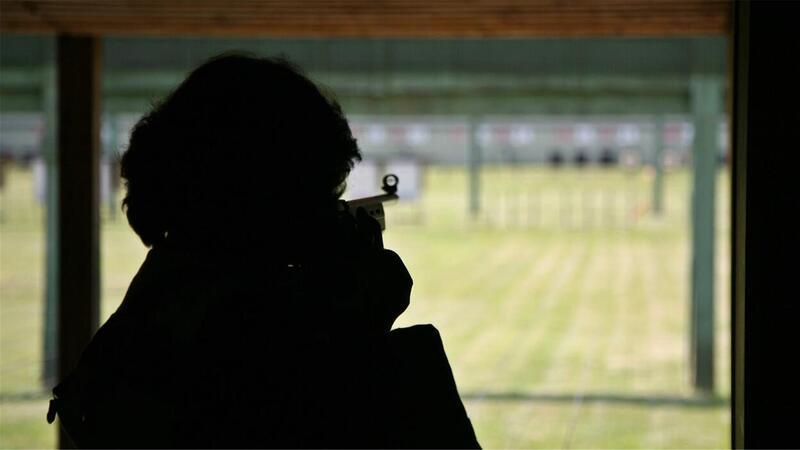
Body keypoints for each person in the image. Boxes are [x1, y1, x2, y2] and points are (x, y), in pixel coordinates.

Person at [48, 54, 479, 449]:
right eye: (316, 193)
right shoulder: (241, 327)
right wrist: (360, 325)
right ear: (264, 196)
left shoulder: (166, 298)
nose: (326, 212)